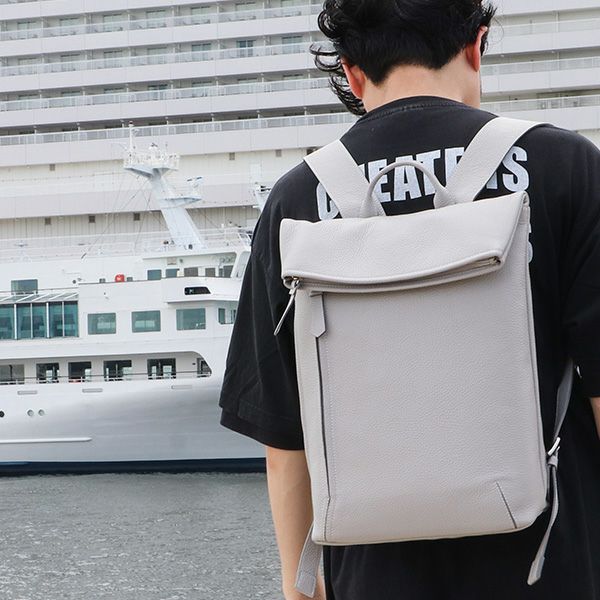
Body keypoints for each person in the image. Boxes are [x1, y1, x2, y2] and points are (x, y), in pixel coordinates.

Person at [219, 1, 600, 598]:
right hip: (551, 566)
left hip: (370, 579)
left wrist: (300, 592)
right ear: (476, 45)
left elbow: (285, 438)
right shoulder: (565, 166)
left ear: (352, 73)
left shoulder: (295, 200)